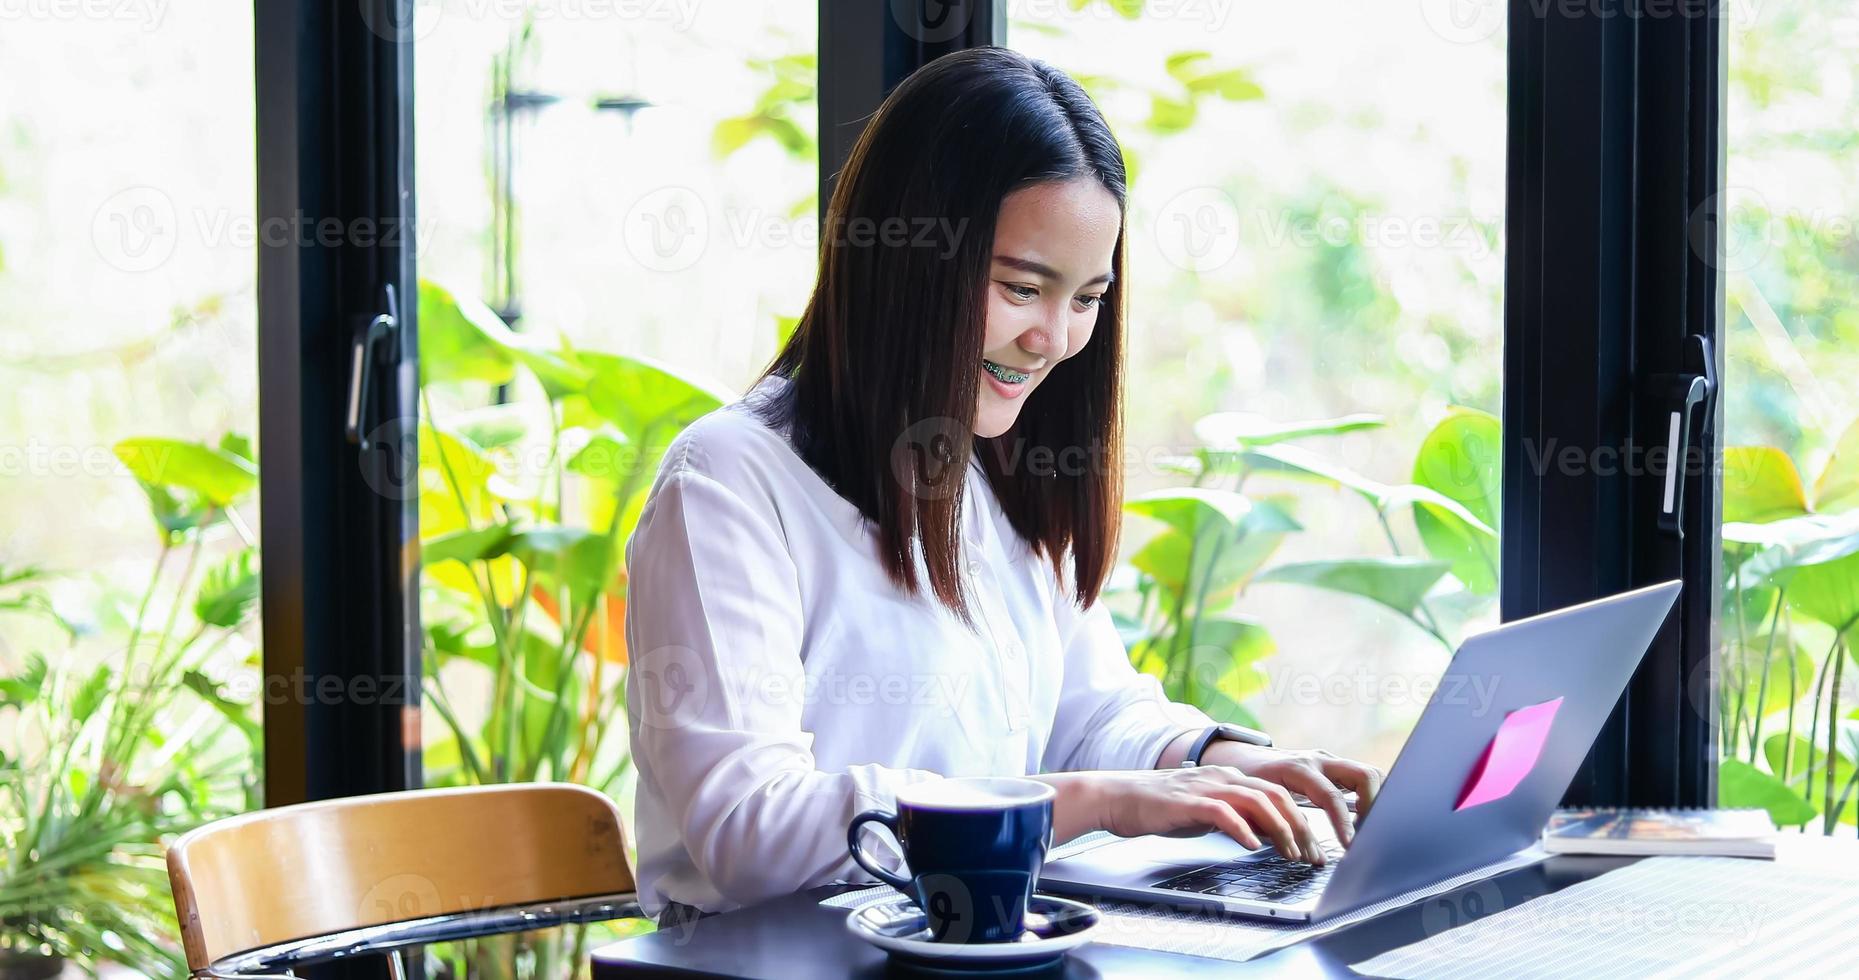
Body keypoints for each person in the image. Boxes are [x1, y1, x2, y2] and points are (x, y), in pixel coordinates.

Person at [624, 46, 1382, 923]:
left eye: (1087, 298)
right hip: (779, 961)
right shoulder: (728, 480)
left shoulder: (996, 473)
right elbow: (750, 829)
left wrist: (1216, 760)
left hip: (969, 943)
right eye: (1023, 287)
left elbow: (1091, 711)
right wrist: (1085, 801)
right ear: (906, 262)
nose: (1054, 339)